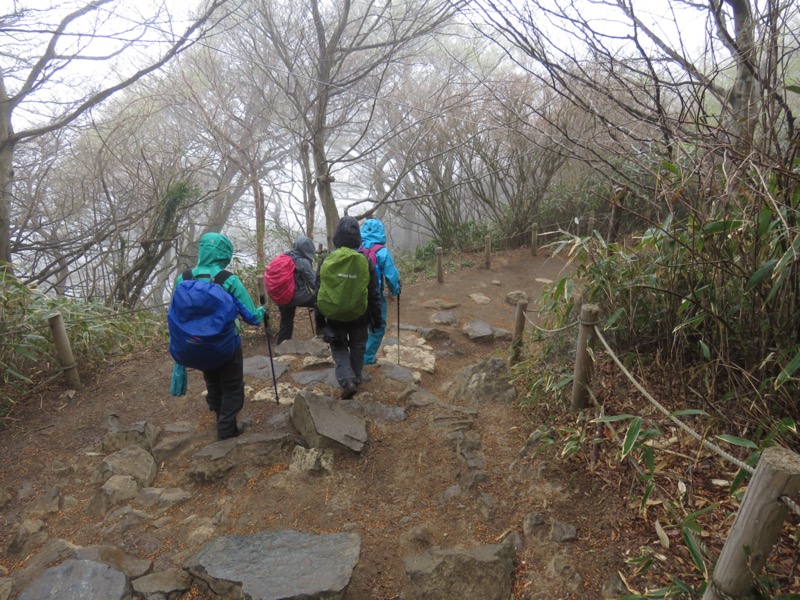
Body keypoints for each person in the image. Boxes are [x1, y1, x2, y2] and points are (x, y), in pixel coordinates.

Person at [172, 232, 266, 440]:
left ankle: (220, 419)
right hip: (226, 344)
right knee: (232, 385)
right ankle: (226, 429)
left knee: (212, 381)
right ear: (225, 254)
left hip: (195, 345)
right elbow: (252, 317)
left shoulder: (183, 278)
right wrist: (262, 310)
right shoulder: (227, 279)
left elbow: (176, 313)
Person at [315, 216, 381, 399]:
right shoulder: (365, 260)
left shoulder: (327, 259)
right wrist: (377, 319)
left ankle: (346, 379)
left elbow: (318, 293)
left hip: (334, 315)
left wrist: (320, 323)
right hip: (360, 315)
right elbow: (374, 293)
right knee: (359, 345)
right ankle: (356, 378)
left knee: (338, 346)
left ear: (337, 236)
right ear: (357, 237)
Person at [360, 218, 401, 365]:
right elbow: (392, 276)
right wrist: (394, 290)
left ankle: (357, 354)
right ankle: (367, 357)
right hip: (375, 296)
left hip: (355, 296)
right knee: (378, 326)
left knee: (359, 325)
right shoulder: (382, 252)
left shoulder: (355, 249)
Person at [276, 235, 317, 345]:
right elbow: (314, 284)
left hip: (281, 295)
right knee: (319, 303)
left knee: (286, 321)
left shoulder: (284, 256)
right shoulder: (303, 261)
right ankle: (321, 333)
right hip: (296, 296)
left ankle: (282, 346)